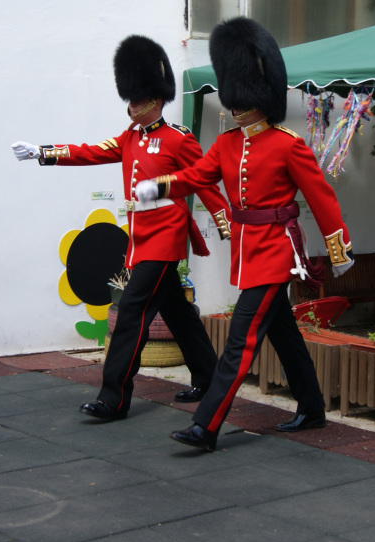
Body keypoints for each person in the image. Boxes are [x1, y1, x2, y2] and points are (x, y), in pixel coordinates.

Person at [133, 17, 355, 451]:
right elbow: (197, 175)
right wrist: (159, 186)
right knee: (283, 333)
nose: (235, 106)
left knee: (240, 338)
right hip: (247, 250)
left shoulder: (287, 144)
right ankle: (311, 407)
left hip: (276, 252)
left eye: (242, 98)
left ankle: (206, 425)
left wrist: (337, 246)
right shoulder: (229, 143)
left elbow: (322, 196)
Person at [12, 35, 219, 421]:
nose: (130, 106)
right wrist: (43, 152)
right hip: (141, 240)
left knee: (130, 314)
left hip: (165, 238)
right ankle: (209, 377)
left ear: (155, 100)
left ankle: (114, 398)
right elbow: (90, 151)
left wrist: (226, 223)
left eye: (137, 100)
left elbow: (204, 180)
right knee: (178, 312)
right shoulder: (128, 139)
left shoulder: (178, 139)